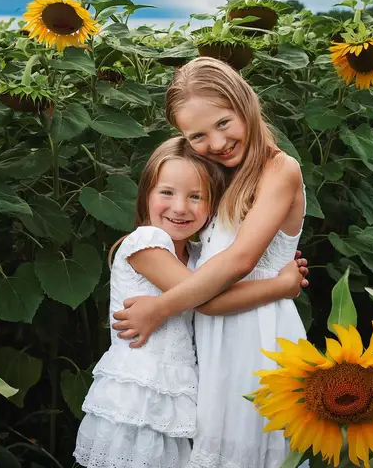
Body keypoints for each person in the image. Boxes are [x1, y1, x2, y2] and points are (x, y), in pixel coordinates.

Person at [111, 57, 310, 468]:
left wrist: (162, 307)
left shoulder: (280, 169)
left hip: (260, 334)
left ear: (246, 103)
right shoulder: (222, 175)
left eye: (223, 123)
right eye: (198, 135)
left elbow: (238, 260)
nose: (216, 143)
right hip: (219, 338)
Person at [73, 136, 308, 468]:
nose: (180, 207)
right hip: (139, 399)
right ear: (146, 196)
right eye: (166, 193)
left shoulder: (198, 257)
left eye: (196, 196)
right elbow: (206, 301)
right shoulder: (147, 244)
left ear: (212, 206)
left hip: (174, 398)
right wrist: (280, 285)